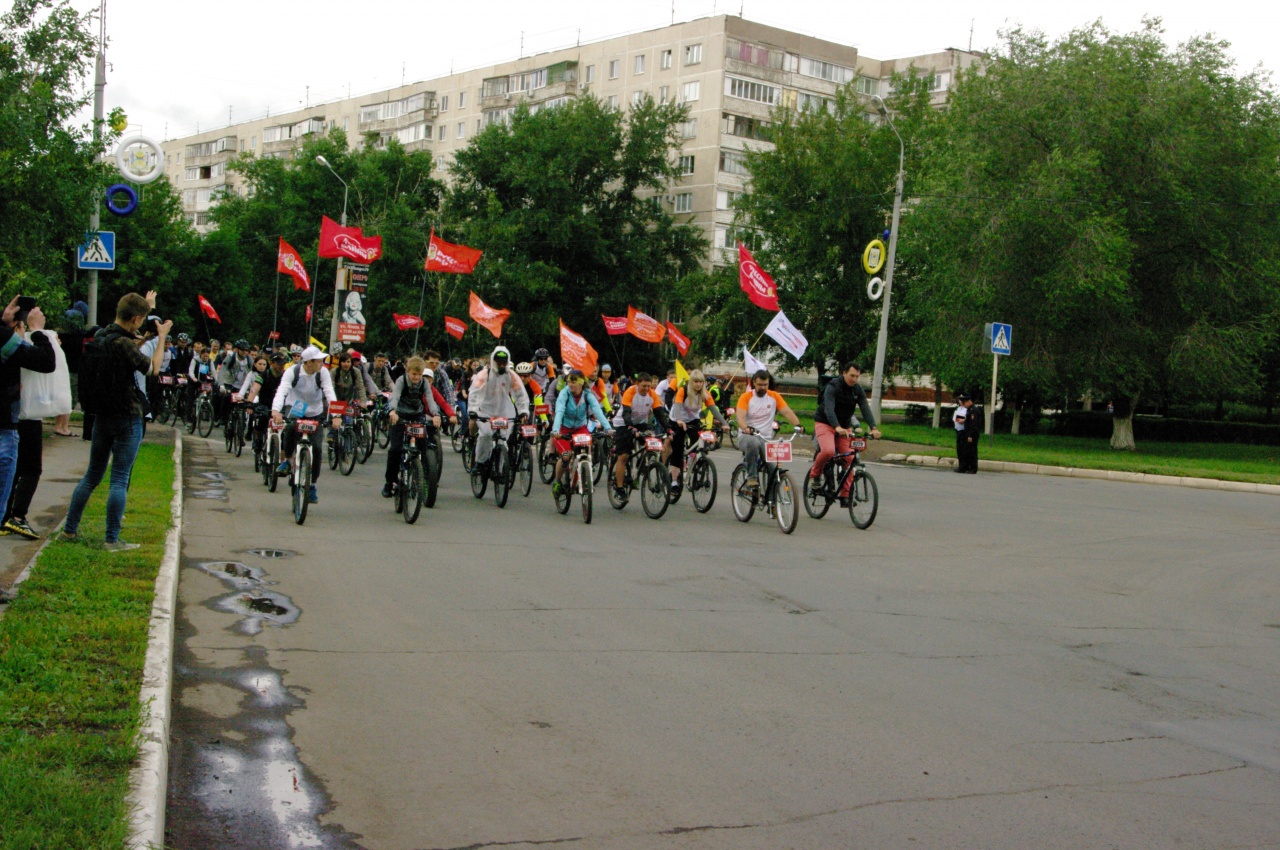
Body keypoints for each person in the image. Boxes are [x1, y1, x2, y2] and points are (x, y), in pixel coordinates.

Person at [59, 293, 171, 550]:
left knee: (91, 476)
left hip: (102, 415)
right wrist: (162, 337)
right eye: (140, 319)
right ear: (135, 319)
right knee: (119, 479)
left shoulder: (101, 336)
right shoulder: (124, 345)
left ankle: (69, 531)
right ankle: (112, 539)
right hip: (127, 415)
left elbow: (131, 340)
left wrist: (147, 310)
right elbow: (153, 369)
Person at [0, 303, 59, 540]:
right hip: (10, 419)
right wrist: (38, 332)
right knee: (20, 469)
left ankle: (8, 516)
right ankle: (12, 517)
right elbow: (46, 362)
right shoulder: (6, 340)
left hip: (14, 417)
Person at [271, 346, 341, 504]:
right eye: (319, 361)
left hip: (315, 410)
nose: (322, 363)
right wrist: (276, 410)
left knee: (316, 448)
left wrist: (336, 415)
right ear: (309, 362)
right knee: (290, 427)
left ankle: (312, 484)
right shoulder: (292, 371)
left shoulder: (323, 372)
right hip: (296, 407)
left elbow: (329, 392)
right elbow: (282, 391)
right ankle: (288, 460)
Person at [810, 362, 882, 505]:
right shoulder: (833, 386)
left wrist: (873, 428)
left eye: (857, 376)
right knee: (829, 451)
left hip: (844, 426)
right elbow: (829, 409)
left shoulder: (857, 390)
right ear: (844, 373)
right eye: (851, 375)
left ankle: (845, 495)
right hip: (825, 423)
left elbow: (865, 408)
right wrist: (836, 426)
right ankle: (816, 474)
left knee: (850, 458)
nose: (854, 379)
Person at [382, 356, 450, 498]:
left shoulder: (424, 383)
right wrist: (392, 411)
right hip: (399, 415)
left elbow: (430, 399)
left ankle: (423, 474)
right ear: (408, 371)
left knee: (424, 446)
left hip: (417, 415)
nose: (417, 377)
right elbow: (395, 396)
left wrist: (435, 414)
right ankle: (389, 482)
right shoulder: (401, 381)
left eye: (419, 374)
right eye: (414, 374)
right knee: (395, 449)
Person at [468, 346, 529, 478]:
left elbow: (520, 394)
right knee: (486, 434)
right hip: (485, 410)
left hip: (504, 411)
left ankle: (500, 469)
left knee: (503, 441)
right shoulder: (483, 375)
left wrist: (523, 411)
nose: (501, 365)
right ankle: (480, 462)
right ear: (493, 361)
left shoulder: (511, 375)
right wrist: (472, 410)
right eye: (498, 362)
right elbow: (474, 393)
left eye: (504, 362)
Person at [735, 369, 802, 488]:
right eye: (760, 385)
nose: (763, 388)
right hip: (747, 436)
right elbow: (740, 417)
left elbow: (787, 412)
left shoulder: (774, 396)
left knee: (772, 468)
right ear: (754, 383)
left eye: (765, 385)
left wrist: (798, 425)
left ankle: (772, 497)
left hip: (766, 438)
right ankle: (752, 477)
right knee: (753, 443)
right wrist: (746, 428)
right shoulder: (746, 397)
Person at [665, 369, 728, 496]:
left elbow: (713, 409)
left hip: (693, 419)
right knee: (678, 449)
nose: (698, 384)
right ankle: (674, 481)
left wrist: (724, 423)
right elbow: (678, 405)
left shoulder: (705, 393)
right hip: (677, 419)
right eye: (696, 381)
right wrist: (679, 420)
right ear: (691, 382)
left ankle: (691, 463)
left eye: (700, 382)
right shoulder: (683, 390)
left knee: (697, 443)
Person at [550, 369, 612, 494]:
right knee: (566, 456)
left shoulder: (587, 394)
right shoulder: (564, 393)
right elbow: (559, 411)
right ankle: (557, 481)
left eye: (573, 382)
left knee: (586, 452)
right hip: (563, 429)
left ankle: (585, 477)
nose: (570, 384)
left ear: (581, 383)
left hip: (580, 428)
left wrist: (608, 428)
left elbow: (597, 410)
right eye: (568, 382)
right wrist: (555, 430)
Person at [613, 373, 668, 499]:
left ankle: (641, 463)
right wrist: (630, 427)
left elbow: (659, 413)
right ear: (637, 384)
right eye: (644, 386)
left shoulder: (652, 394)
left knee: (652, 440)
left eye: (649, 386)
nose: (646, 389)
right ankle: (619, 488)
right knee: (624, 455)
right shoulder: (631, 391)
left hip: (640, 423)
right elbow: (626, 412)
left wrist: (668, 429)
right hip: (623, 423)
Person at [954, 393, 981, 473]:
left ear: (968, 402)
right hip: (968, 433)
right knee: (967, 451)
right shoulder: (970, 409)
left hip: (972, 434)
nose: (964, 405)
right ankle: (967, 467)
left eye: (964, 403)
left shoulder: (973, 410)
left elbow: (973, 424)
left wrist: (970, 435)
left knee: (972, 452)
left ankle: (973, 468)